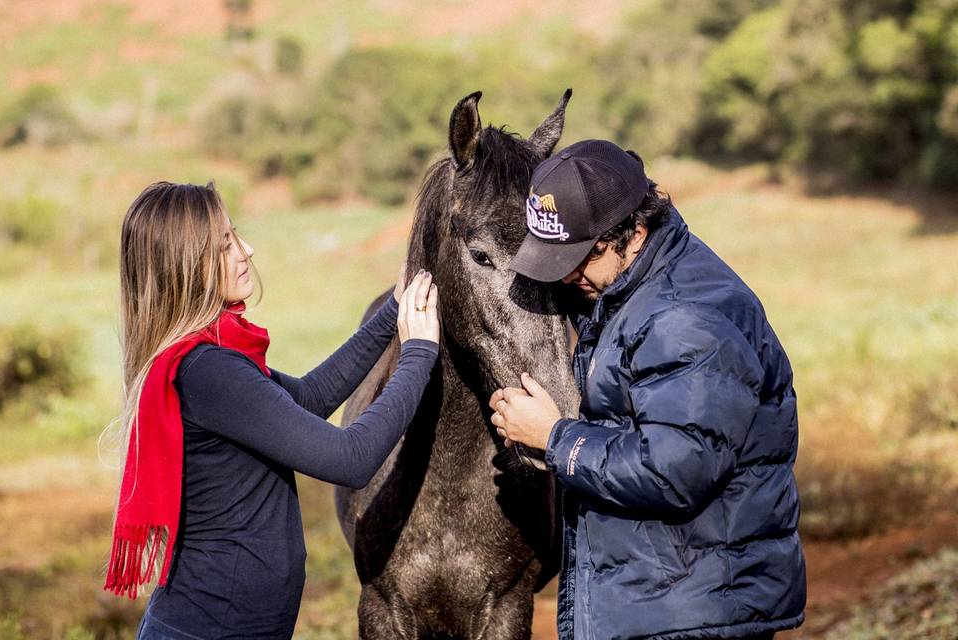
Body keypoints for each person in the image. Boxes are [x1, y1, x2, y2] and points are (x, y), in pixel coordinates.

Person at [489, 140, 806, 640]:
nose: (568, 276)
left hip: (694, 611)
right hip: (666, 600)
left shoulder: (686, 318)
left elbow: (674, 472)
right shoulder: (628, 290)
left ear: (633, 232)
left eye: (578, 258)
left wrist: (553, 437)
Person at [104, 181, 440, 640]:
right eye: (226, 245)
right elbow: (351, 459)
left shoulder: (208, 358)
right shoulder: (209, 370)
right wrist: (419, 351)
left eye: (236, 234)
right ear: (185, 267)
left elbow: (308, 397)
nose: (248, 250)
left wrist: (393, 311)